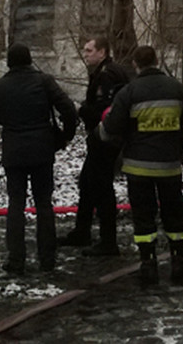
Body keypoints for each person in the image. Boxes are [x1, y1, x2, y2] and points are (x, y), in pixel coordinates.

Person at [99, 45, 183, 286]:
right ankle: (179, 259)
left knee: (144, 217)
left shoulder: (129, 92)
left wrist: (106, 132)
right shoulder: (177, 88)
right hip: (169, 165)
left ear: (135, 64)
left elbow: (110, 129)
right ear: (157, 60)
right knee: (174, 213)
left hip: (138, 167)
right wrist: (175, 143)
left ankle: (148, 264)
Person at [0, 43, 79, 274]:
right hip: (42, 150)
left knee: (15, 205)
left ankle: (16, 260)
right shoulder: (44, 81)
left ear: (9, 62)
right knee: (44, 204)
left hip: (14, 152)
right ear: (29, 60)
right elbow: (68, 109)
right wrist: (64, 137)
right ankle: (47, 259)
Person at [59, 37, 133, 255]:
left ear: (102, 52)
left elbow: (104, 111)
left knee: (101, 188)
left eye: (90, 50)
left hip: (104, 139)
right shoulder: (111, 71)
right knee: (87, 184)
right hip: (103, 138)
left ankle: (108, 242)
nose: (86, 54)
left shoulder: (106, 76)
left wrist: (79, 109)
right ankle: (82, 232)